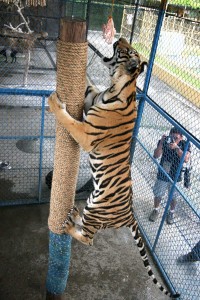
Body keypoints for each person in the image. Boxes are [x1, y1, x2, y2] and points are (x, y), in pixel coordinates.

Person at [149, 127, 191, 225]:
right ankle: (156, 210)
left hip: (176, 175)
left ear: (181, 138)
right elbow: (156, 155)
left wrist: (176, 147)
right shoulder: (164, 141)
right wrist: (161, 143)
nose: (173, 140)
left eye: (176, 138)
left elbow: (186, 159)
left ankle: (171, 212)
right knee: (158, 194)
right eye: (172, 137)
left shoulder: (185, 144)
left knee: (174, 197)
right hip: (163, 172)